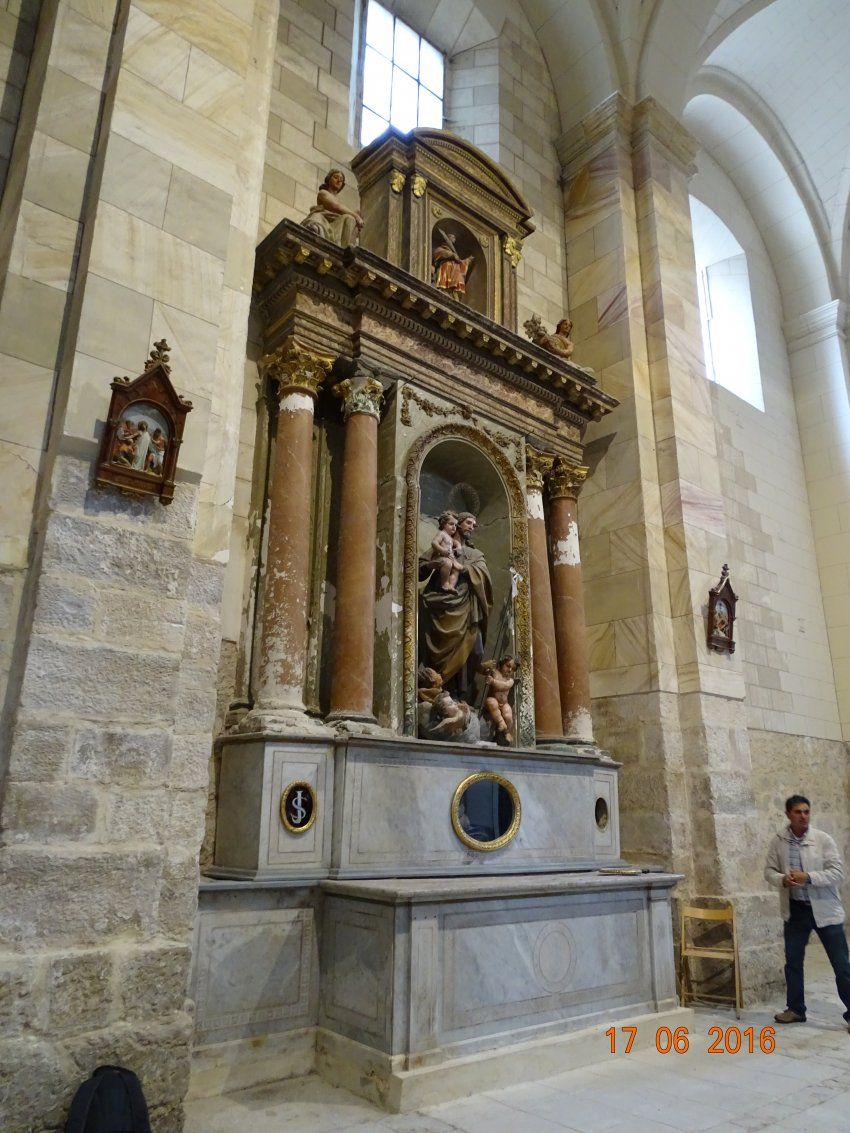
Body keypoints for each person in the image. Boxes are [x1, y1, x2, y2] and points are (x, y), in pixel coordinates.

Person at [764, 794, 850, 1030]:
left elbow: (837, 873)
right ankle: (795, 1009)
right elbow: (769, 871)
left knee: (841, 964)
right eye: (798, 812)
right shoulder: (779, 841)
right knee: (793, 962)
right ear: (788, 814)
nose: (803, 816)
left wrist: (808, 877)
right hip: (796, 911)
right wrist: (782, 879)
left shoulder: (823, 840)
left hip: (825, 909)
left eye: (806, 812)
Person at [419, 510, 493, 701]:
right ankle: (441, 693)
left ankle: (462, 696)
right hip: (442, 608)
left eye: (474, 525)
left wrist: (465, 569)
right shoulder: (443, 544)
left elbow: (484, 577)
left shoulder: (475, 554)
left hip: (468, 610)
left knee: (475, 651)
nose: (472, 528)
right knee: (439, 653)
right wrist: (432, 565)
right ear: (457, 524)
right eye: (469, 523)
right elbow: (419, 569)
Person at [300, 169, 363, 247]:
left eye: (341, 180)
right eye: (336, 177)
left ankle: (344, 249)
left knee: (350, 219)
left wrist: (356, 222)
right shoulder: (323, 193)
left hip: (336, 224)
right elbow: (335, 206)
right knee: (316, 220)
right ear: (329, 179)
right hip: (323, 220)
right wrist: (355, 216)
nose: (338, 181)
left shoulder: (341, 205)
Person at [480, 656, 518, 745]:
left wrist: (493, 682)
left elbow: (504, 686)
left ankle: (506, 732)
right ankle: (501, 723)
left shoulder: (510, 680)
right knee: (491, 702)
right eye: (508, 666)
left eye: (513, 669)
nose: (510, 670)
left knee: (508, 715)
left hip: (504, 703)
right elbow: (484, 671)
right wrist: (488, 667)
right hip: (493, 699)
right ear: (502, 664)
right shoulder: (495, 673)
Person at [432, 230, 474, 299]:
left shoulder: (454, 251)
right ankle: (443, 289)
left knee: (454, 283)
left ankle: (451, 293)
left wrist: (468, 260)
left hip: (454, 272)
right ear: (448, 239)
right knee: (444, 281)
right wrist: (451, 255)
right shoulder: (443, 248)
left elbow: (460, 263)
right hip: (445, 267)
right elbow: (437, 253)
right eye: (453, 238)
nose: (454, 239)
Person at [430, 510, 461, 592]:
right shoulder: (442, 534)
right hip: (439, 558)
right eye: (451, 524)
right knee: (447, 563)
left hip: (450, 558)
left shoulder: (450, 538)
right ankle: (445, 584)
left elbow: (456, 542)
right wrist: (442, 550)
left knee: (457, 569)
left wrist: (458, 547)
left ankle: (451, 586)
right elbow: (434, 543)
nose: (454, 527)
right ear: (443, 524)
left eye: (455, 525)